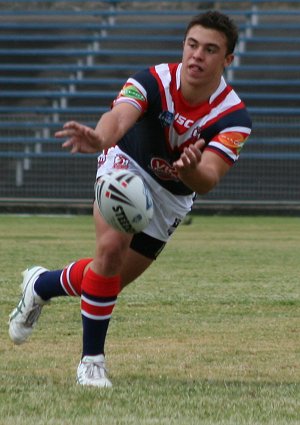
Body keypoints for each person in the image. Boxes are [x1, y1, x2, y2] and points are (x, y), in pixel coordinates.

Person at [8, 10, 252, 388]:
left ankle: (40, 286)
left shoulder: (234, 116)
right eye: (191, 45)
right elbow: (118, 118)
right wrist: (100, 139)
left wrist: (188, 170)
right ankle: (92, 364)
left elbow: (207, 179)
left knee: (109, 278)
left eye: (210, 49)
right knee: (109, 252)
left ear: (227, 60)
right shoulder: (153, 80)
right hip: (126, 164)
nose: (197, 56)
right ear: (183, 46)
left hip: (173, 196)